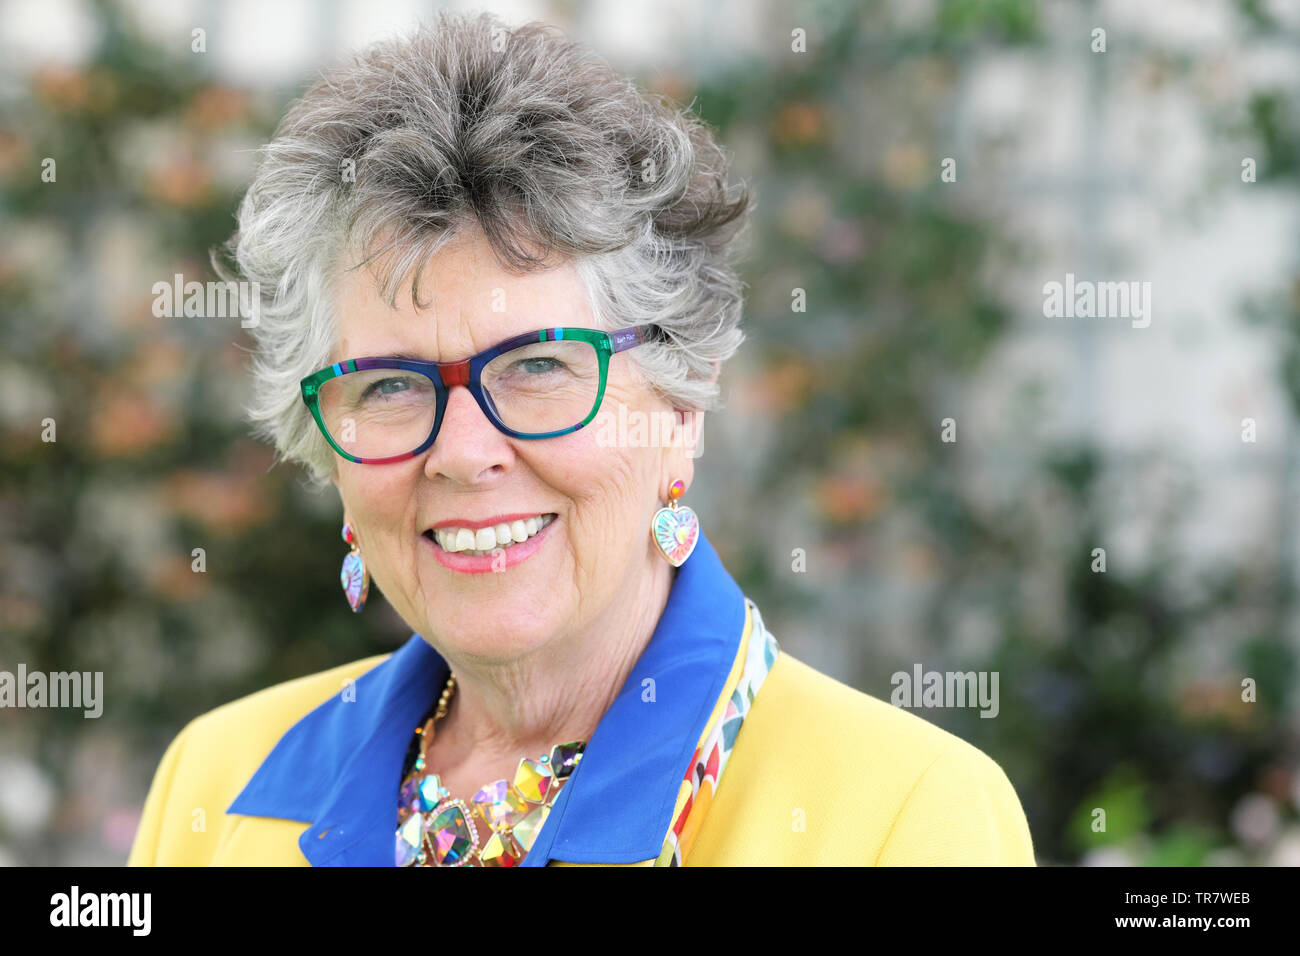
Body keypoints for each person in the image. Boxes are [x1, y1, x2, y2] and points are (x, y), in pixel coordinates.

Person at [127, 11, 1034, 867]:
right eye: (393, 385)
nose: (464, 453)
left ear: (680, 408)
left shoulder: (903, 819)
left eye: (538, 366)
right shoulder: (214, 791)